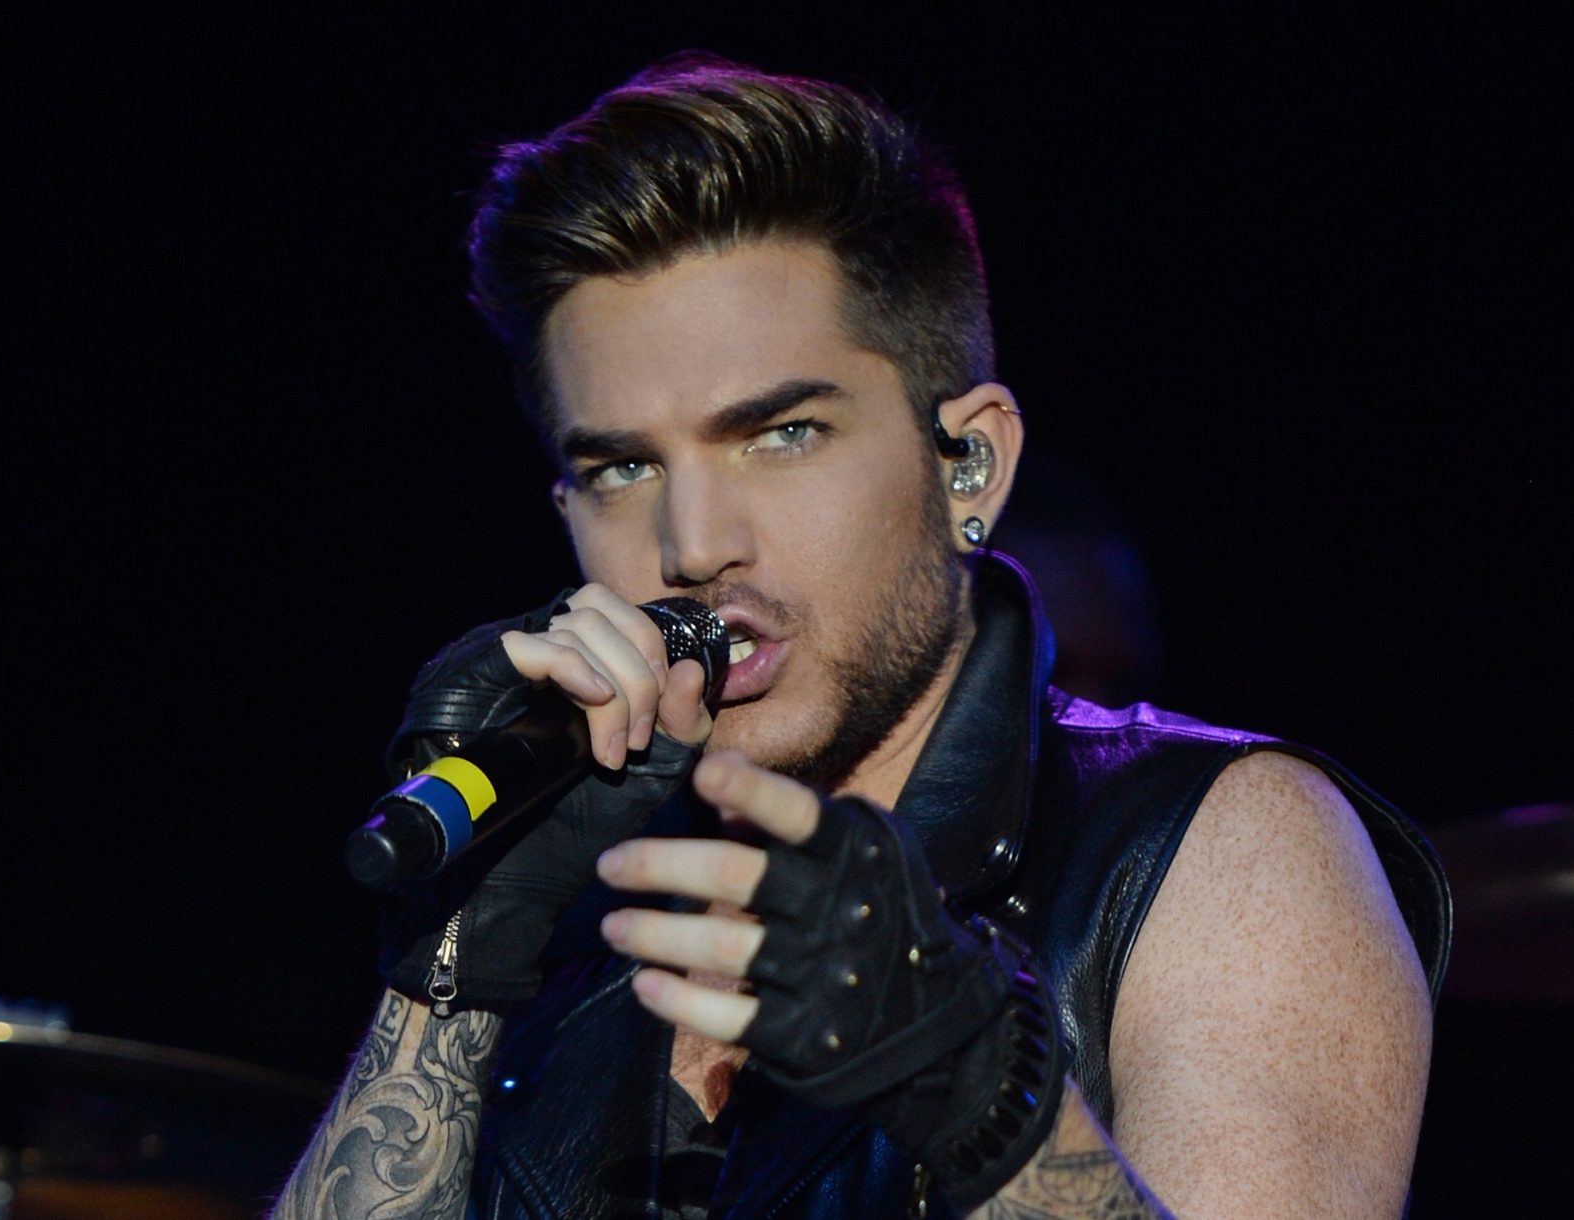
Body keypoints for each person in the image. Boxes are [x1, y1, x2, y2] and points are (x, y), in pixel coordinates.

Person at [276, 54, 1449, 1219]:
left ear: (968, 462)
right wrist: (450, 962)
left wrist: (988, 1102)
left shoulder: (1217, 845)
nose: (693, 543)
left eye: (780, 433)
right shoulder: (571, 906)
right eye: (623, 467)